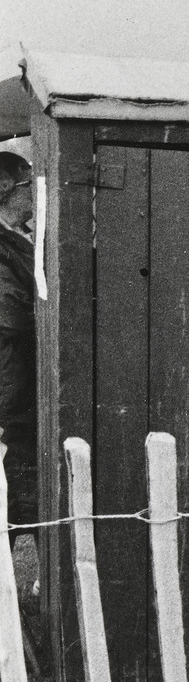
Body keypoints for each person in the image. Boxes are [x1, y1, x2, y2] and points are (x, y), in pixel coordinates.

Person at [0, 151, 37, 526]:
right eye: (30, 183)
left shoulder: (20, 237)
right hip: (11, 387)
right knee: (12, 491)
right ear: (5, 188)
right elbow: (11, 317)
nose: (36, 193)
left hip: (23, 382)